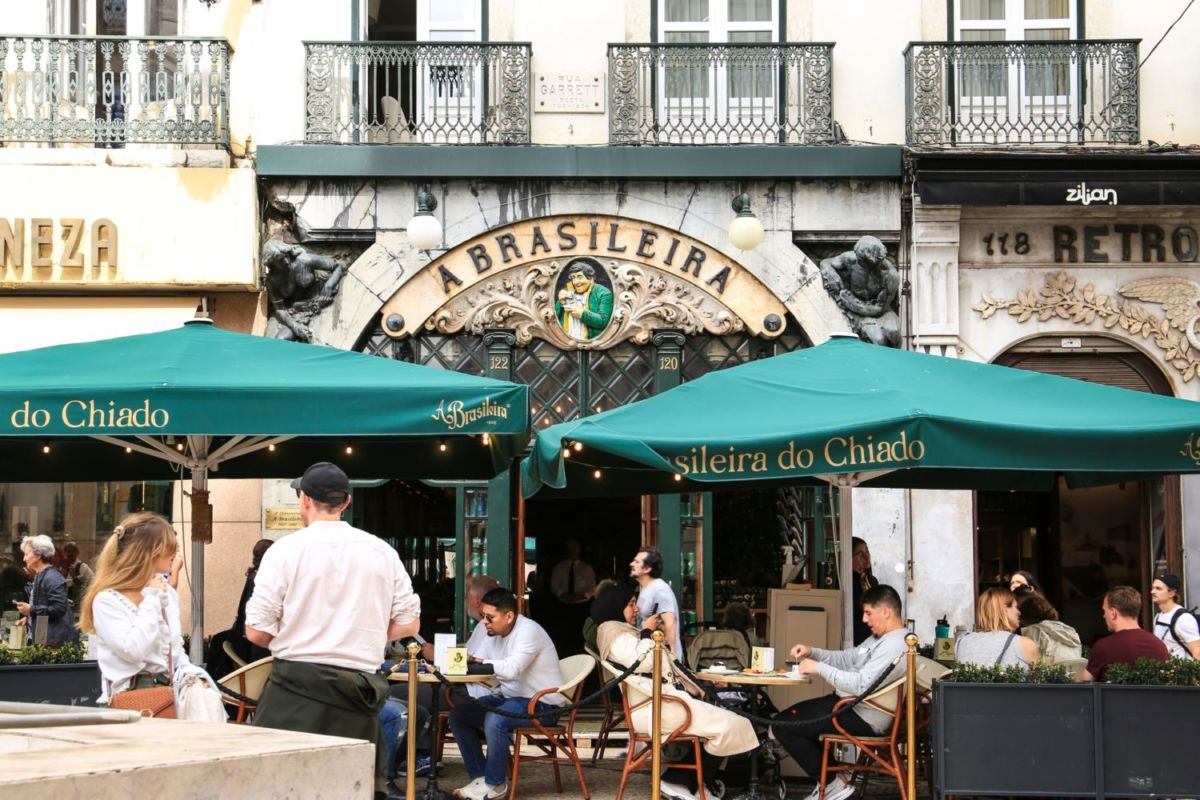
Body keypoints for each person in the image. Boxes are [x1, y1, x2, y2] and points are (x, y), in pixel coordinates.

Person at [246, 462, 421, 800]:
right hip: (358, 692)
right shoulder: (382, 552)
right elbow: (410, 623)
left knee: (278, 788)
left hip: (293, 691)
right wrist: (363, 635)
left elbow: (256, 633)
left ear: (305, 500)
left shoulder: (284, 551)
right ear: (347, 502)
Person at [594, 582, 757, 800]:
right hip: (657, 707)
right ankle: (678, 780)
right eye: (631, 604)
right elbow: (644, 663)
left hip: (663, 703)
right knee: (734, 724)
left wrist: (701, 686)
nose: (636, 609)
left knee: (731, 722)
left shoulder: (622, 632)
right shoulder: (614, 634)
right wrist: (647, 633)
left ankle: (694, 782)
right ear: (615, 606)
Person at [771, 585, 909, 800]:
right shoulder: (879, 639)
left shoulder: (894, 645)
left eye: (868, 613)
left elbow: (862, 685)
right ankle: (833, 784)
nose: (864, 619)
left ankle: (834, 785)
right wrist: (813, 652)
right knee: (790, 722)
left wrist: (819, 669)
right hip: (850, 705)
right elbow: (848, 658)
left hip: (863, 714)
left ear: (886, 612)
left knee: (785, 725)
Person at [79, 513, 212, 704]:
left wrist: (194, 677)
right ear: (150, 551)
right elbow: (133, 650)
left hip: (168, 701)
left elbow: (176, 651)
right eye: (170, 546)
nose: (176, 551)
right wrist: (152, 599)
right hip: (128, 706)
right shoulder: (107, 600)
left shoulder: (166, 594)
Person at [449, 587, 566, 800]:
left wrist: (481, 663)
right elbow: (479, 661)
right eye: (483, 616)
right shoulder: (494, 632)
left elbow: (511, 669)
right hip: (511, 698)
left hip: (543, 705)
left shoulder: (528, 631)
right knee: (459, 715)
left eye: (489, 617)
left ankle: (496, 785)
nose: (484, 622)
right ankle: (481, 778)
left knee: (496, 718)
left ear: (509, 616)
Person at [206, 538, 275, 681]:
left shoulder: (254, 575)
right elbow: (254, 616)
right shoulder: (259, 580)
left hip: (243, 638)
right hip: (251, 643)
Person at [1080, 586, 1169, 682]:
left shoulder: (1103, 647)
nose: (1103, 615)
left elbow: (1085, 684)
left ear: (1113, 613)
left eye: (1104, 611)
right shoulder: (1159, 645)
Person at [15, 534, 79, 647]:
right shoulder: (42, 576)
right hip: (46, 643)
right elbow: (46, 607)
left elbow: (59, 608)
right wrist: (29, 619)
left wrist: (31, 610)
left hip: (54, 646)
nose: (24, 558)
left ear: (39, 555)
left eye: (26, 554)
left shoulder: (52, 577)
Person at [955, 588, 1040, 669]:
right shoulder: (1025, 644)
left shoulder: (962, 642)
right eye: (1015, 607)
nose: (1019, 612)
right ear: (1004, 609)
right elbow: (1040, 681)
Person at [630, 546, 683, 662]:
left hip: (663, 658)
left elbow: (670, 623)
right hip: (650, 653)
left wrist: (672, 659)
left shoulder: (659, 588)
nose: (631, 564)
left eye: (637, 562)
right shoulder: (645, 588)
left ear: (647, 568)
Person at [554, 259, 613, 340]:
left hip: (592, 343)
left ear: (590, 278)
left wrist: (582, 314)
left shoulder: (603, 293)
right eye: (573, 278)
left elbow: (603, 322)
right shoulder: (567, 292)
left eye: (579, 277)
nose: (575, 282)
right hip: (566, 342)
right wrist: (560, 303)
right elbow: (553, 320)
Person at [1018, 592, 1082, 665]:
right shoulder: (1069, 630)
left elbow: (1029, 665)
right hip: (1076, 674)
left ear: (1024, 617)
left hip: (1050, 675)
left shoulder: (1033, 631)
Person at [1151, 574, 1200, 660]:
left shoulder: (1183, 619)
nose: (1153, 592)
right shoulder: (1158, 616)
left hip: (1183, 672)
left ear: (1171, 593)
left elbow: (1198, 653)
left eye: (1158, 589)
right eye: (1153, 588)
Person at [850, 537, 880, 645]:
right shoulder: (847, 582)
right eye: (860, 554)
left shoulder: (872, 581)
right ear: (850, 558)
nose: (866, 556)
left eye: (867, 551)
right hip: (856, 637)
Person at [550, 539, 597, 604]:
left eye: (574, 548)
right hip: (563, 604)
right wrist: (565, 596)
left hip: (582, 605)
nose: (571, 551)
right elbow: (554, 586)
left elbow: (593, 587)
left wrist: (582, 596)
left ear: (579, 549)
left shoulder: (587, 568)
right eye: (569, 548)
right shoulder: (559, 567)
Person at [60, 541, 94, 613]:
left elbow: (83, 586)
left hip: (80, 605)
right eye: (68, 551)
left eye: (72, 551)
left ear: (77, 552)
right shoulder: (62, 567)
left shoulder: (82, 567)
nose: (70, 554)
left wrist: (74, 577)